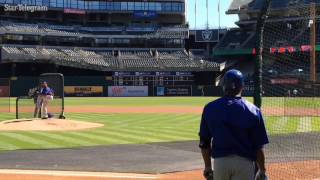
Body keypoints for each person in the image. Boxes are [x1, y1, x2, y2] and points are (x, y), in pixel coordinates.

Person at [199, 69, 269, 180]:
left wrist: (208, 166)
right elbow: (258, 147)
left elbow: (204, 143)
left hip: (220, 163)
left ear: (223, 86)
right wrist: (262, 170)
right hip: (245, 163)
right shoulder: (253, 110)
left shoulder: (210, 108)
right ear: (242, 86)